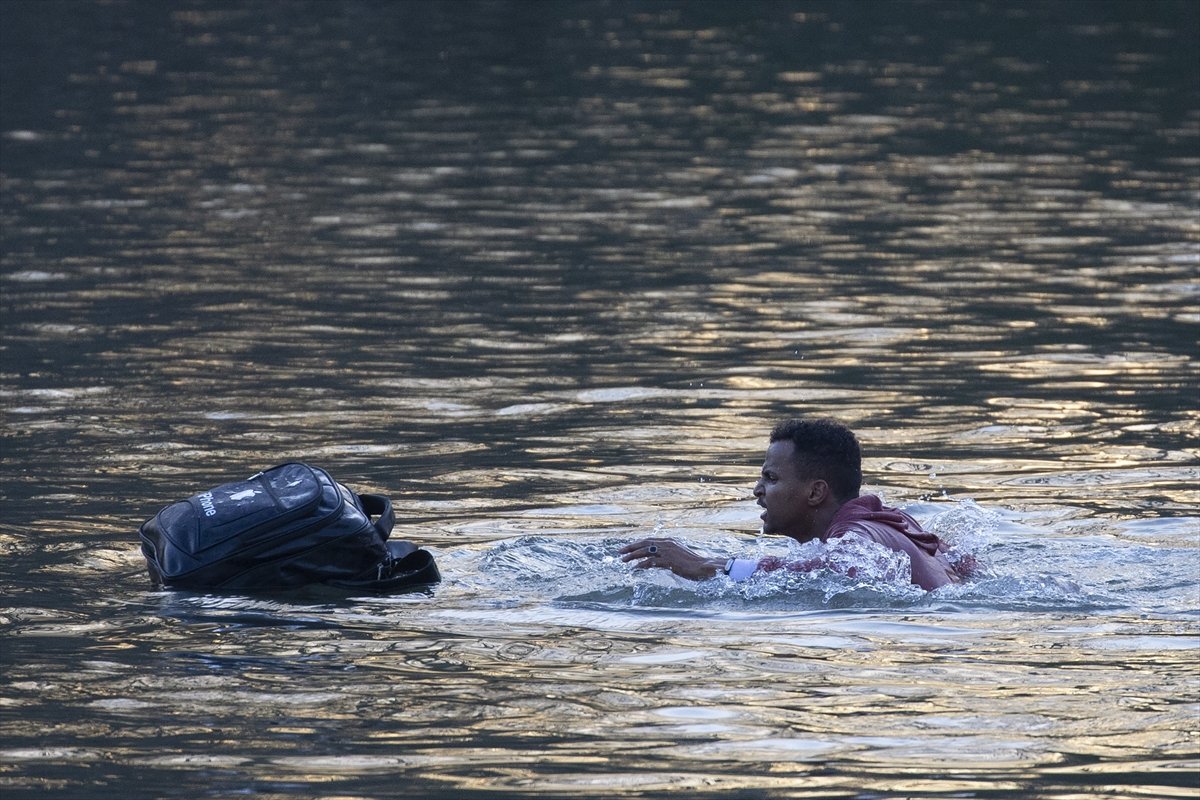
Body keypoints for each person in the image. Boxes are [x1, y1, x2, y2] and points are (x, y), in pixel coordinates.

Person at [619, 418, 965, 591]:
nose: (757, 490)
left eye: (771, 479)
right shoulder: (895, 522)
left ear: (815, 493)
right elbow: (964, 564)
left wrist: (711, 566)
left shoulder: (856, 532)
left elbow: (840, 568)